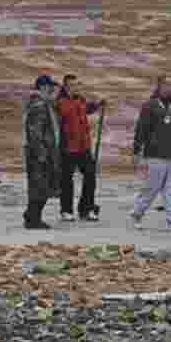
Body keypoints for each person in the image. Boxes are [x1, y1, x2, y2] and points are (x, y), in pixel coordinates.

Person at [130, 75, 171, 232]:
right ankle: (137, 213)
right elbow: (141, 129)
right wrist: (136, 151)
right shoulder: (150, 106)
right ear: (160, 86)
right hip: (155, 154)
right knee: (151, 188)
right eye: (167, 85)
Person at [56, 74, 106, 221]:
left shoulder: (81, 100)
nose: (76, 88)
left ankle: (86, 209)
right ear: (66, 87)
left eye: (78, 85)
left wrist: (97, 105)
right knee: (66, 179)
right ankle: (66, 210)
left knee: (90, 175)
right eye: (73, 85)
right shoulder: (60, 102)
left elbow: (86, 109)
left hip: (84, 146)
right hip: (68, 147)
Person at [22, 75, 62, 230]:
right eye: (50, 87)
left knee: (41, 186)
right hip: (40, 154)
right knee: (40, 187)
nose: (53, 90)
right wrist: (41, 153)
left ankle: (31, 215)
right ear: (43, 87)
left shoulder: (44, 104)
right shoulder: (39, 106)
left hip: (43, 152)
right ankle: (33, 218)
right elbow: (35, 133)